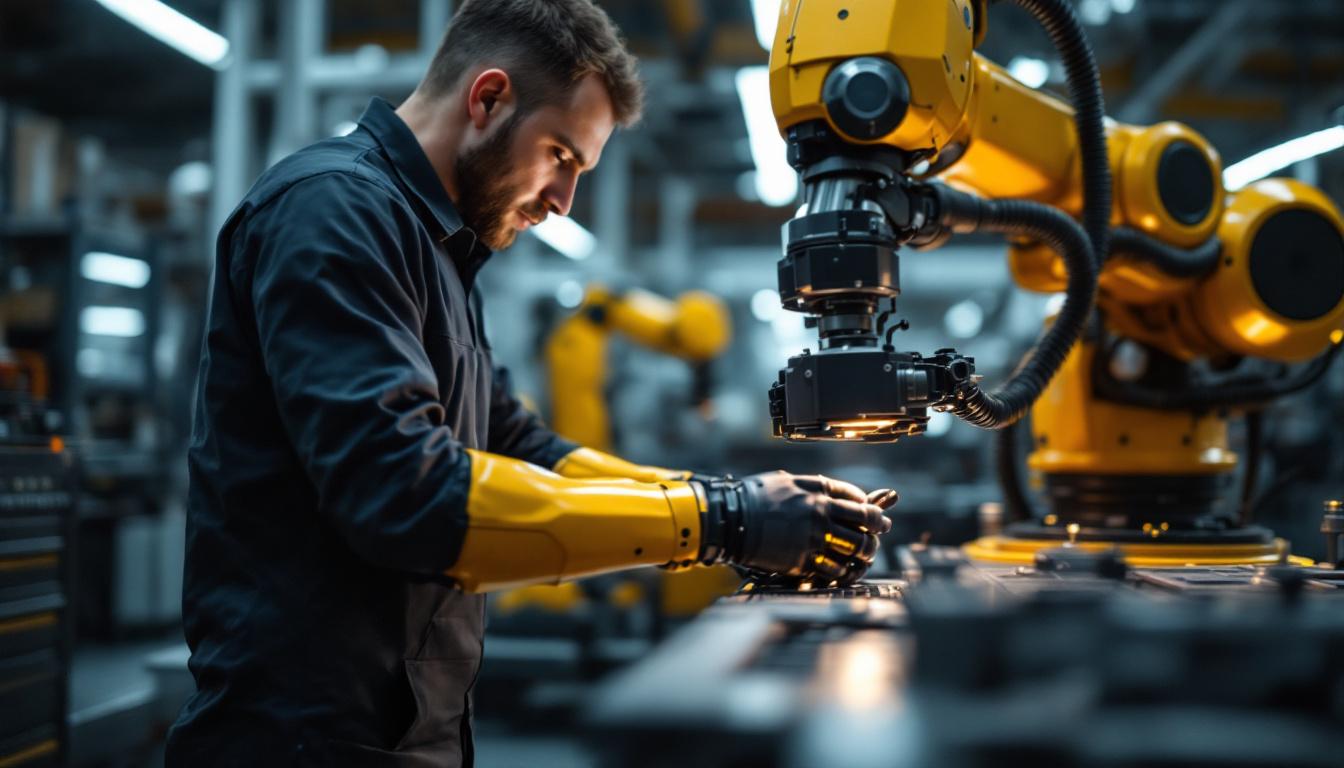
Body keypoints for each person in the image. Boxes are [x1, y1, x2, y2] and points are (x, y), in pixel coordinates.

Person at [166, 0, 894, 765]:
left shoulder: (443, 252)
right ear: (487, 99)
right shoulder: (332, 211)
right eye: (562, 157)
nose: (561, 200)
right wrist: (722, 520)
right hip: (297, 740)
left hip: (405, 734)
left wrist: (729, 503)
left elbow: (524, 445)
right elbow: (405, 496)